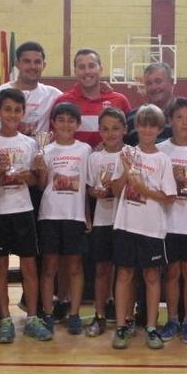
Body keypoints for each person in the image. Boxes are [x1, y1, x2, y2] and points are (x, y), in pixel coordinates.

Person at [0, 88, 51, 342]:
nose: (12, 114)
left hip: (23, 211)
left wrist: (30, 175)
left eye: (17, 110)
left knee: (29, 267)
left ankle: (32, 317)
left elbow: (36, 180)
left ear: (23, 113)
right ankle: (5, 320)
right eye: (7, 109)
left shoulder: (30, 143)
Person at [110, 104, 177, 349]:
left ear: (160, 129)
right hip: (126, 225)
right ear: (136, 127)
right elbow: (117, 191)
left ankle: (150, 326)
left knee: (151, 276)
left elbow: (169, 197)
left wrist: (143, 187)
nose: (147, 129)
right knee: (125, 274)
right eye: (143, 124)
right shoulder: (126, 154)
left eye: (152, 125)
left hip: (152, 228)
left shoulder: (163, 160)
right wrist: (128, 173)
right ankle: (121, 325)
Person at [35, 102, 93, 335]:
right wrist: (40, 169)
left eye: (71, 120)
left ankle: (75, 314)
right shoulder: (45, 150)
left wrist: (87, 215)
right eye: (61, 120)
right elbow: (41, 186)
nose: (66, 124)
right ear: (53, 123)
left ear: (78, 124)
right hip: (49, 215)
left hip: (75, 216)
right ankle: (48, 313)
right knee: (49, 267)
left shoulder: (85, 150)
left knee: (75, 267)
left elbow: (87, 187)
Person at [157, 97, 187, 344]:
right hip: (167, 220)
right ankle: (172, 318)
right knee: (172, 272)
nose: (184, 122)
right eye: (179, 117)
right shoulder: (161, 149)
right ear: (170, 120)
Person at [85, 107, 127, 337]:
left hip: (126, 220)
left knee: (125, 271)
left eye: (115, 128)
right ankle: (99, 315)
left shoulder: (131, 154)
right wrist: (97, 193)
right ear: (99, 131)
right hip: (102, 220)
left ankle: (125, 316)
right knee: (102, 269)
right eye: (105, 129)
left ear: (125, 130)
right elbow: (91, 189)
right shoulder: (95, 157)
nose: (110, 133)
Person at [0, 41, 62, 137]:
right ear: (17, 64)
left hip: (41, 151)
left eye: (37, 62)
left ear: (44, 65)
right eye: (27, 61)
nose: (32, 66)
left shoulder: (54, 95)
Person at [53, 49, 131, 148]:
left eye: (91, 66)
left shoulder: (119, 101)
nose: (87, 71)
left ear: (101, 69)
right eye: (81, 67)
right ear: (75, 71)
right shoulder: (63, 101)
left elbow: (128, 138)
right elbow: (55, 137)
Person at [125, 63, 176, 146]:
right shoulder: (132, 118)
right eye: (149, 83)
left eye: (158, 81)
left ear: (171, 82)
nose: (154, 87)